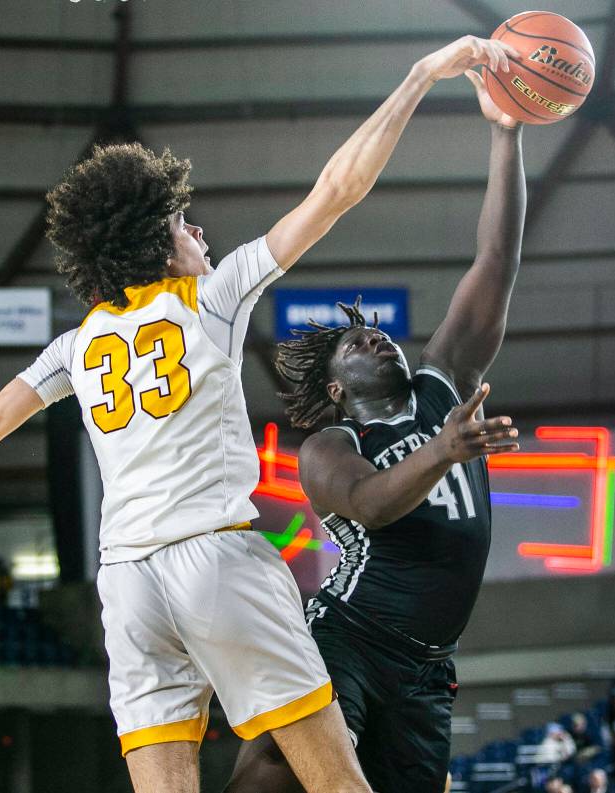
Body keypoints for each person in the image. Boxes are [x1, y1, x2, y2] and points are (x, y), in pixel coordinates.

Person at [0, 33, 517, 793]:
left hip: (126, 584)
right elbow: (337, 189)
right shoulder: (211, 298)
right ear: (158, 240)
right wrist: (422, 72)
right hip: (215, 559)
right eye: (186, 224)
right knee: (339, 783)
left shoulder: (76, 346)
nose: (200, 233)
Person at [224, 60, 525, 793]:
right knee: (278, 767)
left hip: (429, 666)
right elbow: (370, 504)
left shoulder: (440, 381)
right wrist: (447, 448)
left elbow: (496, 259)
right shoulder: (332, 446)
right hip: (349, 635)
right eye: (354, 344)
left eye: (379, 334)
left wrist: (508, 134)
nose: (376, 338)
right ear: (334, 386)